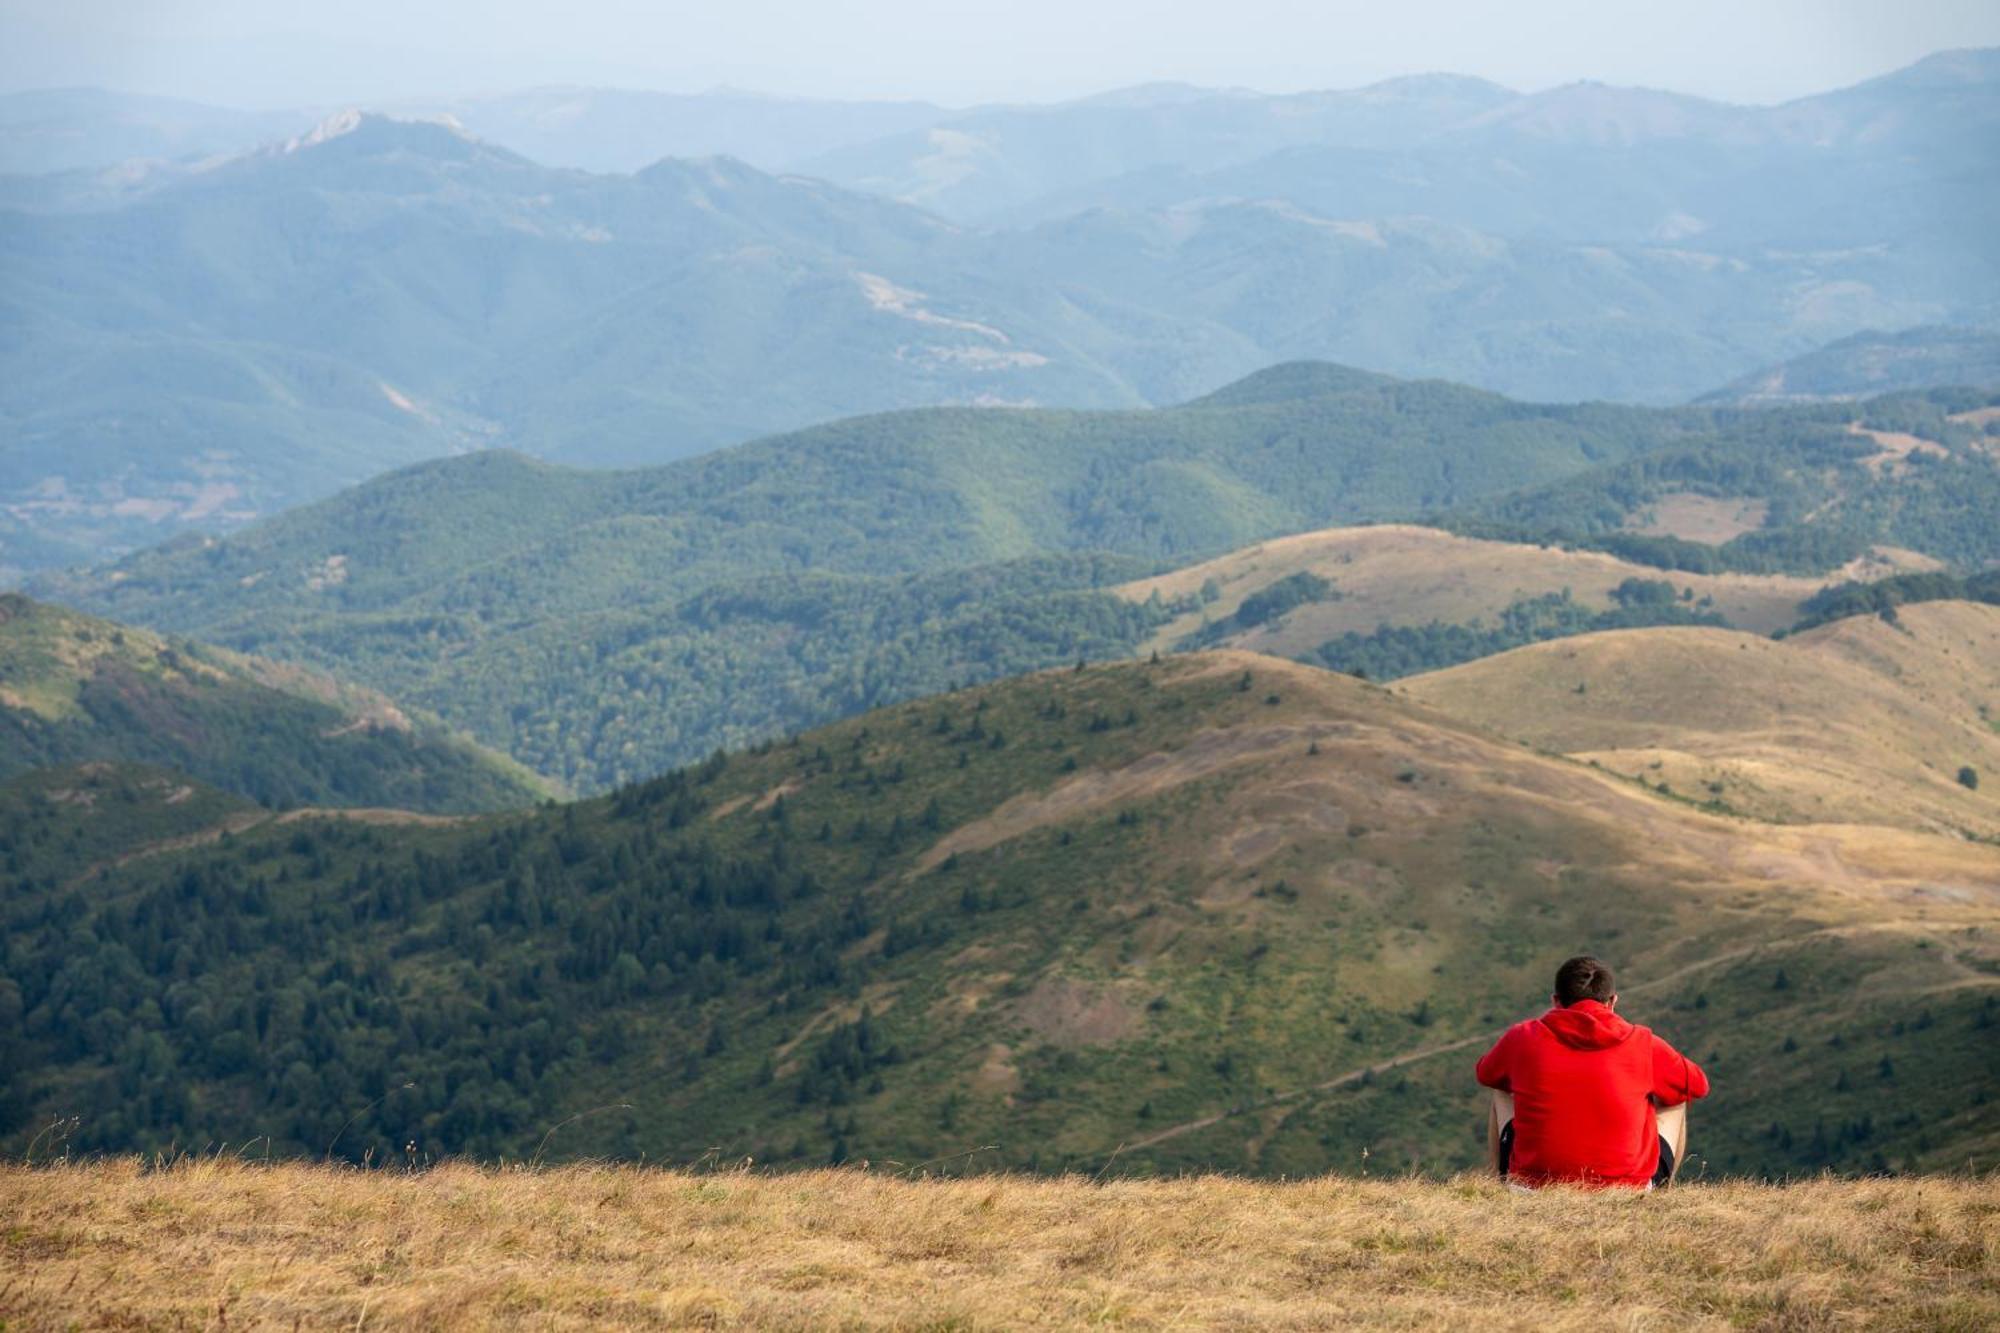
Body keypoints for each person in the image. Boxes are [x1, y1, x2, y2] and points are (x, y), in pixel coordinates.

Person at [1475, 955, 1709, 1189]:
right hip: (1625, 1190)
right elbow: (1698, 1085)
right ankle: (1662, 1195)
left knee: (1500, 1090)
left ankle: (1501, 1187)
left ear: (1555, 1001)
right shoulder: (1642, 1043)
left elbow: (1486, 1073)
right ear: (1613, 1001)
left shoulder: (1522, 1037)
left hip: (1532, 1188)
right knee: (1677, 1098)